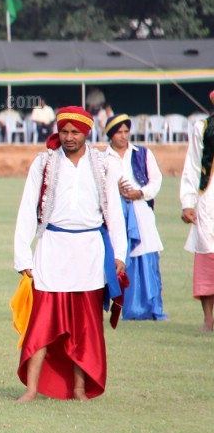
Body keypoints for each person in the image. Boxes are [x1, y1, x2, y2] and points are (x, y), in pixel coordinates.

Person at [14, 107, 127, 401]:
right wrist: (23, 257)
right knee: (42, 320)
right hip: (52, 248)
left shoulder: (103, 163)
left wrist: (120, 254)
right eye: (63, 131)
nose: (68, 137)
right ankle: (31, 389)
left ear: (86, 133)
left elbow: (114, 212)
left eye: (74, 132)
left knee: (85, 325)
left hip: (90, 252)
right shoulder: (45, 162)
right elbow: (27, 208)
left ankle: (79, 389)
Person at [104, 114, 167, 321]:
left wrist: (139, 193)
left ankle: (152, 307)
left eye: (125, 132)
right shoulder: (103, 159)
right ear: (110, 136)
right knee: (123, 258)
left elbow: (156, 181)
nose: (123, 136)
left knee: (147, 257)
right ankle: (128, 309)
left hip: (141, 211)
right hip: (117, 213)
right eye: (119, 133)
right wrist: (116, 189)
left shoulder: (142, 154)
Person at [181, 94, 214, 331]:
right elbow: (192, 166)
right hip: (208, 199)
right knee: (206, 256)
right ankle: (208, 319)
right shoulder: (202, 128)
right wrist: (187, 202)